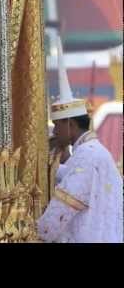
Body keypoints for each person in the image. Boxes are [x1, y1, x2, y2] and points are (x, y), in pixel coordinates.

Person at [37, 36, 123, 243]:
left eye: (57, 125)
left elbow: (65, 204)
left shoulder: (87, 156)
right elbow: (82, 181)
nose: (54, 130)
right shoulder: (93, 151)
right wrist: (62, 160)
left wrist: (36, 232)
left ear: (70, 125)